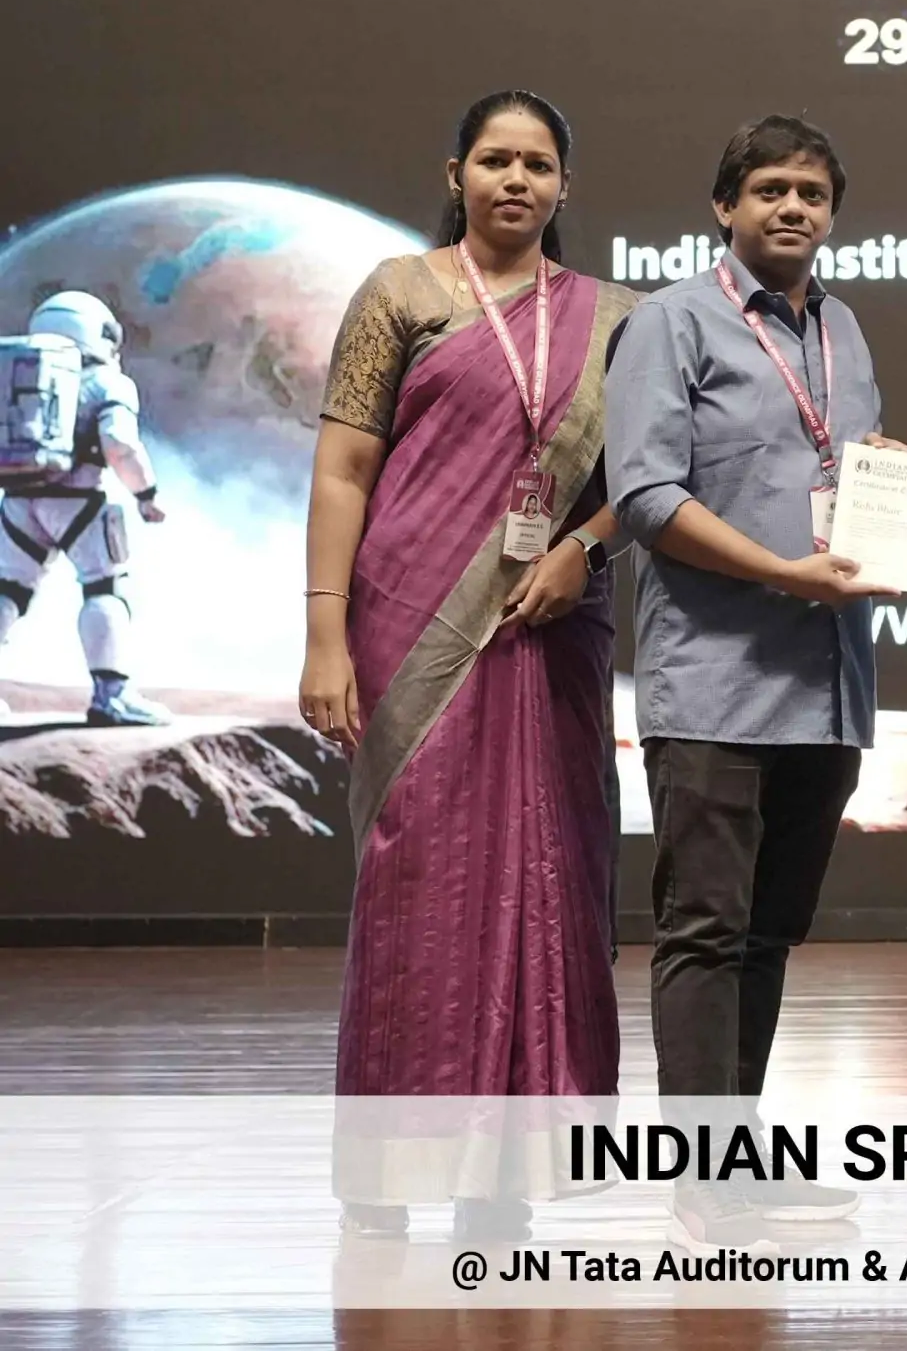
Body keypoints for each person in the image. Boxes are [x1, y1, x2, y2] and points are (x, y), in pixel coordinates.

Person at [302, 90, 637, 1241]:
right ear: (457, 173)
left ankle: (506, 1172)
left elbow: (648, 480)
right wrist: (324, 632)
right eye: (496, 159)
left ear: (563, 185)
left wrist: (584, 549)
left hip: (551, 628)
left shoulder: (614, 318)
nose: (516, 180)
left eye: (538, 163)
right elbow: (344, 469)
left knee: (546, 875)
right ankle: (386, 1170)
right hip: (409, 620)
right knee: (418, 884)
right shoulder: (400, 293)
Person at [606, 115, 901, 1255]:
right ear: (724, 205)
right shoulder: (669, 322)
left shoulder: (844, 328)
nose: (793, 208)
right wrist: (782, 573)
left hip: (827, 685)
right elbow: (644, 497)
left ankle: (738, 1161)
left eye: (813, 194)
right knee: (707, 929)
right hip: (715, 685)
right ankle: (701, 1180)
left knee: (770, 933)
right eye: (771, 188)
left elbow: (858, 474)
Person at [0, 291, 173, 725]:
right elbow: (120, 445)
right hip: (79, 501)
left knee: (8, 592)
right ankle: (112, 696)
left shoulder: (17, 374)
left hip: (17, 499)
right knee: (105, 590)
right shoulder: (108, 383)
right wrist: (147, 494)